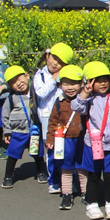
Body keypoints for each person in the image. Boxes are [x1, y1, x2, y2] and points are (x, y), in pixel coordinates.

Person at [72, 61, 110, 220]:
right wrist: (84, 94)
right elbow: (76, 107)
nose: (102, 83)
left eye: (105, 79)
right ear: (89, 82)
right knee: (94, 175)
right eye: (97, 80)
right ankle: (91, 204)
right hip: (94, 143)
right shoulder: (89, 100)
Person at [33, 43, 74, 192]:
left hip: (65, 117)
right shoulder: (40, 75)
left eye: (61, 62)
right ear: (47, 56)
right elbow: (41, 93)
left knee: (68, 149)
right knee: (52, 149)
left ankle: (69, 181)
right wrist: (54, 79)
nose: (56, 63)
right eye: (54, 58)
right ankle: (54, 181)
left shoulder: (66, 76)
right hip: (46, 118)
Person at [46, 65, 87, 211]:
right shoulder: (59, 101)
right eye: (66, 83)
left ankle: (85, 192)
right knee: (66, 167)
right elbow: (53, 122)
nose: (70, 87)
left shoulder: (86, 100)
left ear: (81, 84)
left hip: (83, 139)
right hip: (65, 140)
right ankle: (67, 194)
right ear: (60, 85)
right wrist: (50, 139)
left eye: (74, 83)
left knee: (83, 167)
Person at [0, 66, 45, 188]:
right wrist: (7, 131)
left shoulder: (36, 94)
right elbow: (5, 115)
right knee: (13, 154)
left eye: (19, 79)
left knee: (38, 153)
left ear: (26, 75)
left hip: (34, 131)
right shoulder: (11, 98)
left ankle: (41, 172)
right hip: (18, 131)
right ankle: (8, 176)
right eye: (13, 82)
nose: (18, 84)